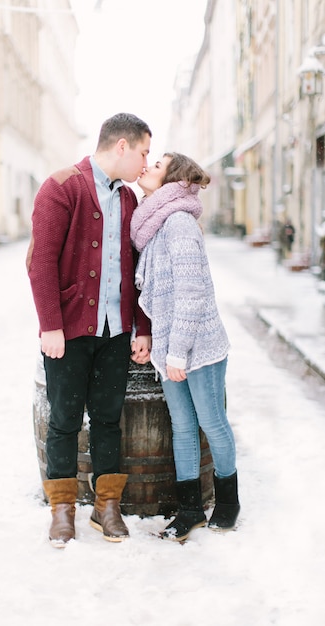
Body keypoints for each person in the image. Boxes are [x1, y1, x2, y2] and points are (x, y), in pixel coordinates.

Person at [26, 113, 152, 547]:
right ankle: (62, 509)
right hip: (69, 332)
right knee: (63, 420)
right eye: (143, 152)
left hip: (116, 332)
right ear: (122, 145)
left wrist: (143, 327)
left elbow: (138, 269)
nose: (144, 161)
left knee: (107, 420)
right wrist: (50, 325)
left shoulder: (130, 200)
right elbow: (40, 262)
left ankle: (107, 507)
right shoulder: (62, 187)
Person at [130, 152, 240, 542]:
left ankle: (228, 502)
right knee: (181, 427)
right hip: (171, 346)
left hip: (200, 346)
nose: (147, 167)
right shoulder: (156, 222)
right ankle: (190, 508)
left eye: (156, 166)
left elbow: (192, 293)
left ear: (171, 181)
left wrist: (177, 353)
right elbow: (157, 289)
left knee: (211, 422)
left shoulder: (177, 223)